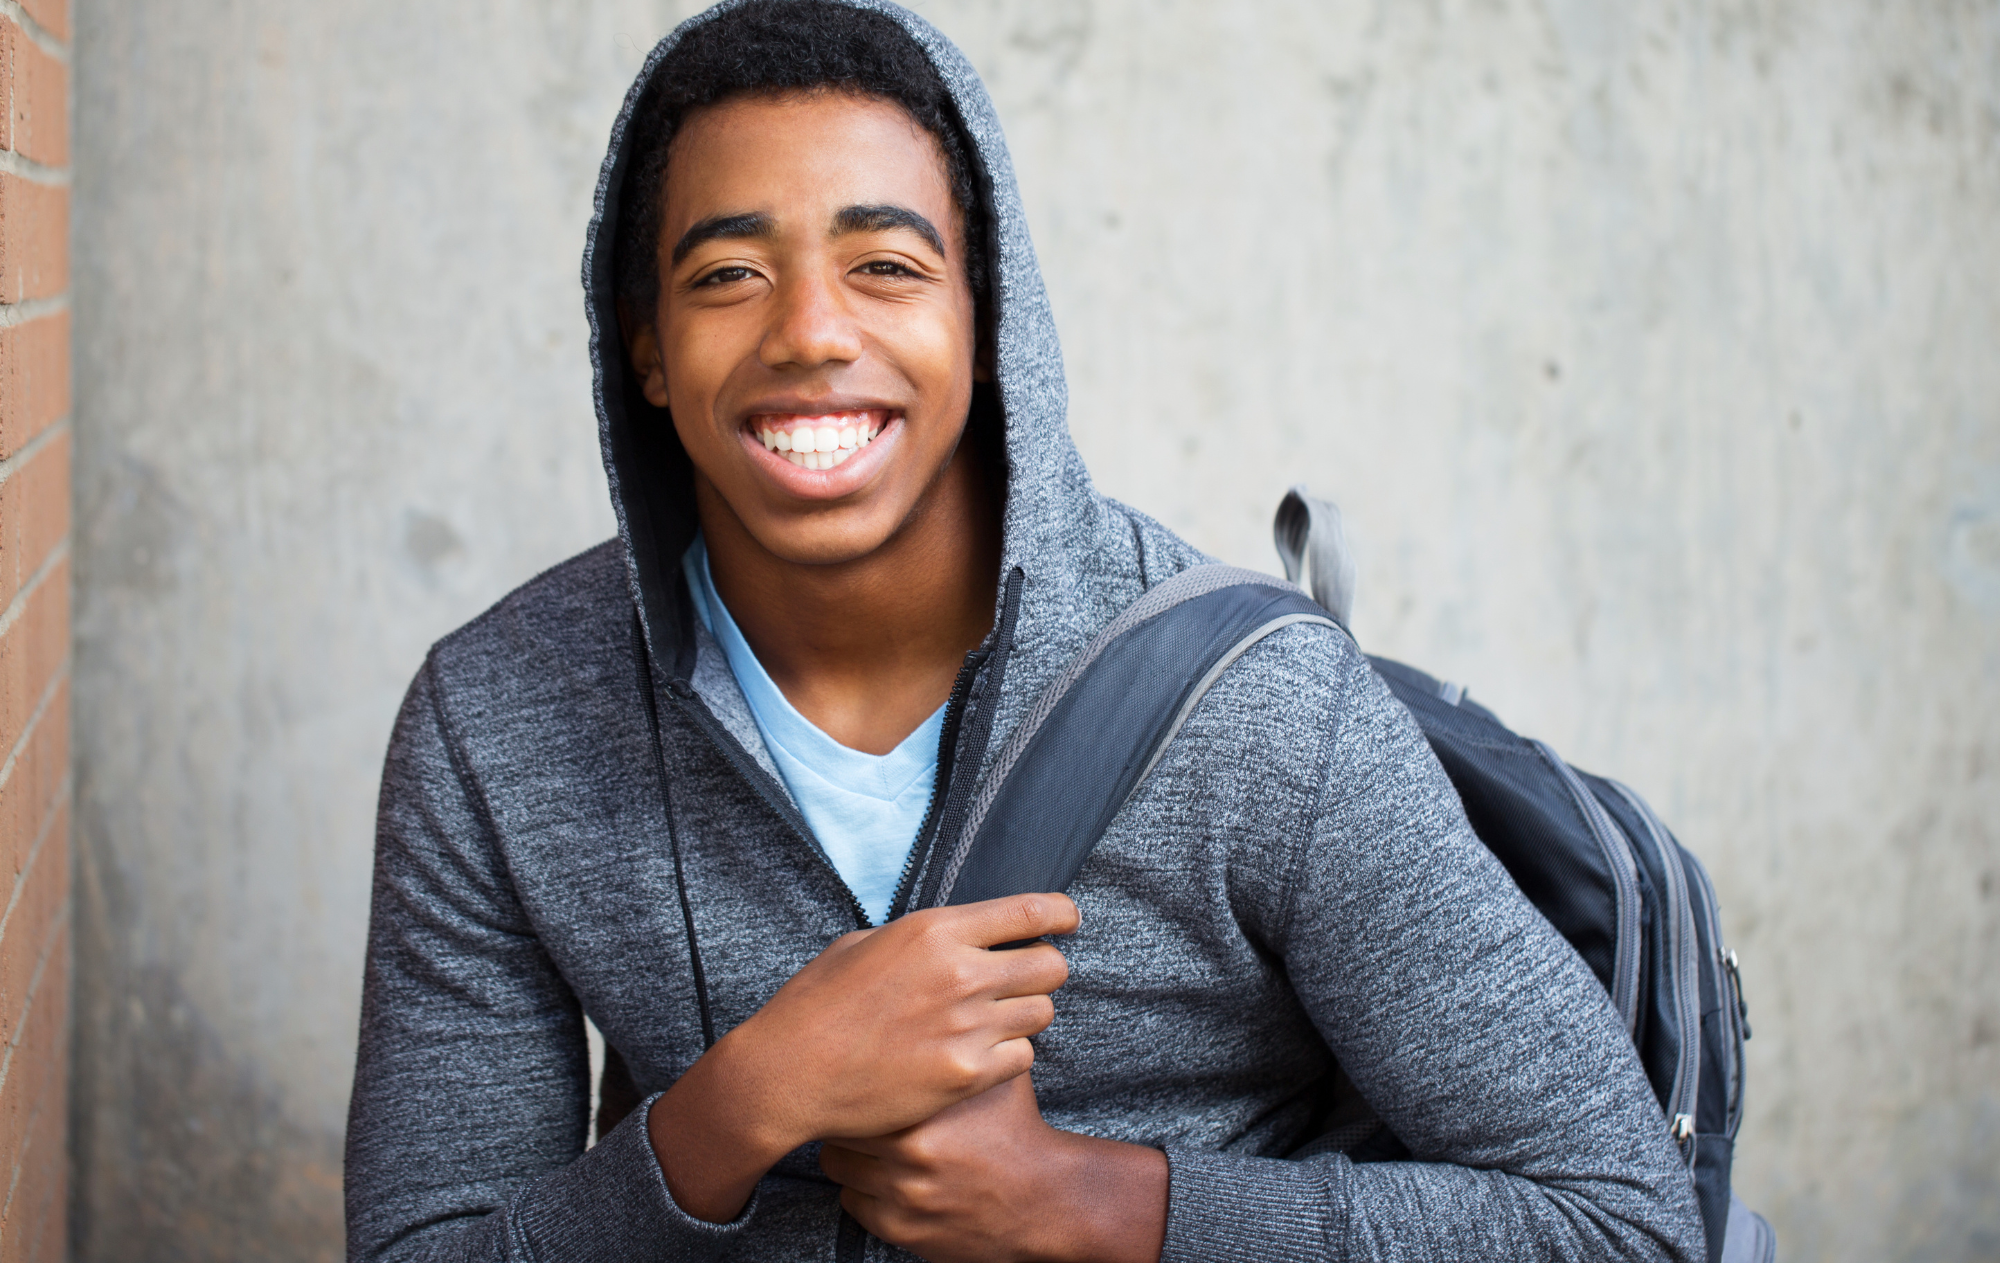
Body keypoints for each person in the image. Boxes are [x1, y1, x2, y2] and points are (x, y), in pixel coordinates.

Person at [343, 2, 1706, 1260]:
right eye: (727, 276)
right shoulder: (498, 725)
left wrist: (1108, 1200)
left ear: (986, 318)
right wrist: (735, 1107)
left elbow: (1622, 1224)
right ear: (643, 346)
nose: (812, 329)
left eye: (884, 263)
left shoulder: (1260, 713)